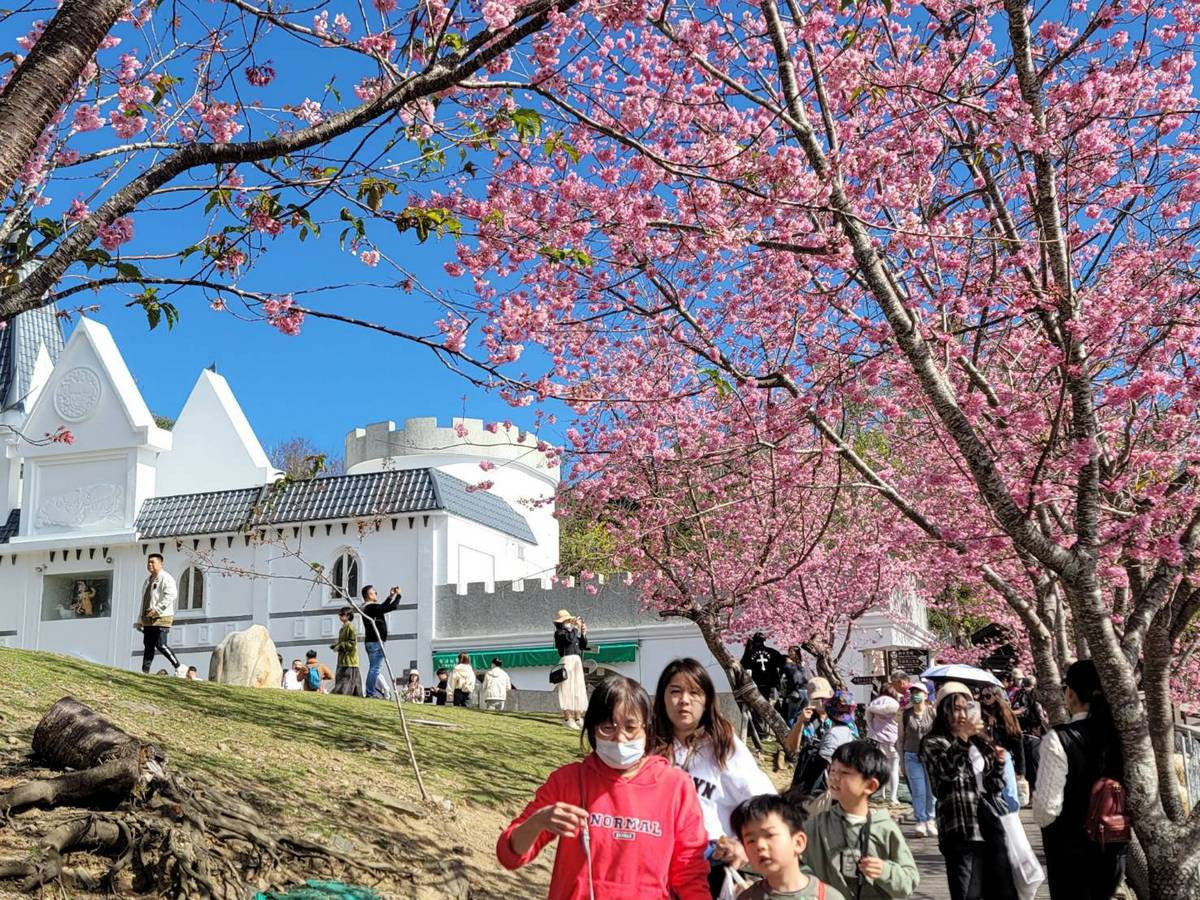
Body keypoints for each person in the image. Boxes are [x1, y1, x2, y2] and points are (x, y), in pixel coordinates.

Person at [497, 674, 710, 899]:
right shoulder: (567, 781)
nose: (620, 738)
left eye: (631, 727)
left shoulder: (675, 786)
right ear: (592, 729)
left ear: (647, 728)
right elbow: (509, 854)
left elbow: (690, 873)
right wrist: (539, 821)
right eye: (608, 727)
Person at [654, 658, 776, 897]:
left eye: (695, 692)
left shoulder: (723, 744)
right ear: (662, 697)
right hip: (657, 859)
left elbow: (762, 800)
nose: (684, 701)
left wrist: (742, 844)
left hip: (710, 859)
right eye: (675, 691)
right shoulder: (647, 745)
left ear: (707, 699)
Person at [1033, 659, 1126, 900]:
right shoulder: (1124, 736)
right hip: (1113, 848)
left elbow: (1046, 810)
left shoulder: (1059, 739)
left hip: (1070, 853)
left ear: (1071, 694)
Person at [919, 684, 1016, 900]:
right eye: (955, 709)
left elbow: (995, 786)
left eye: (966, 708)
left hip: (990, 825)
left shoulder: (979, 742)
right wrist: (962, 738)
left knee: (998, 890)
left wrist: (998, 764)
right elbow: (946, 772)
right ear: (943, 711)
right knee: (965, 893)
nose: (962, 714)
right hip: (960, 826)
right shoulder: (934, 742)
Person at [803, 740, 919, 900]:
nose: (834, 777)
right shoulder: (815, 826)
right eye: (832, 770)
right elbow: (792, 863)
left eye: (844, 773)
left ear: (870, 786)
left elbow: (910, 879)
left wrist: (884, 870)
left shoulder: (884, 828)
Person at [730, 794, 846, 900]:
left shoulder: (828, 897)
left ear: (798, 842)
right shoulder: (747, 898)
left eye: (769, 835)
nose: (759, 845)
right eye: (750, 841)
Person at [136, 554, 183, 676]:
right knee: (148, 645)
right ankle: (145, 671)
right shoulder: (148, 580)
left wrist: (158, 610)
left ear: (160, 563)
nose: (150, 565)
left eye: (153, 562)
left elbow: (171, 595)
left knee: (161, 644)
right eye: (148, 562)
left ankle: (178, 667)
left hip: (162, 617)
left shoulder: (166, 578)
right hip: (148, 617)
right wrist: (140, 619)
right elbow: (144, 600)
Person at [979, 685, 1024, 812]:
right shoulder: (979, 713)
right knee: (991, 792)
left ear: (996, 697)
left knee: (1009, 790)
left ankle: (1013, 815)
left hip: (1003, 754)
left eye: (988, 696)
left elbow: (1017, 741)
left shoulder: (1006, 715)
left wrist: (1021, 770)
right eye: (982, 697)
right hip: (984, 756)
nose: (984, 700)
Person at [899, 683, 936, 835]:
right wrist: (901, 760)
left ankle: (930, 820)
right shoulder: (906, 715)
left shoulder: (933, 713)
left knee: (931, 791)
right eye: (913, 692)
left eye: (919, 692)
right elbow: (900, 739)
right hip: (912, 756)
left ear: (926, 695)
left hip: (931, 757)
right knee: (918, 790)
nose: (916, 695)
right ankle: (920, 821)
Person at [360, 584, 403, 699]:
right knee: (375, 668)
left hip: (372, 642)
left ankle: (371, 692)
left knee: (374, 668)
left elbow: (382, 608)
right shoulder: (370, 607)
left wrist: (390, 597)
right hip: (375, 642)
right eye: (374, 592)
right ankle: (370, 693)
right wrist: (398, 596)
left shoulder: (369, 608)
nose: (376, 594)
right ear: (369, 595)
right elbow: (390, 607)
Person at [553, 609, 589, 729]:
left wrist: (583, 633)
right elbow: (569, 640)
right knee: (567, 689)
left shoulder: (572, 632)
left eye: (570, 620)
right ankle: (567, 718)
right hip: (567, 660)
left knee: (578, 689)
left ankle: (578, 717)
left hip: (577, 660)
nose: (570, 622)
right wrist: (576, 628)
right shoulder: (559, 633)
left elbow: (583, 645)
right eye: (567, 620)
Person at [866, 685, 902, 806]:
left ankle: (882, 793)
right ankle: (893, 797)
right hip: (894, 739)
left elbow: (868, 720)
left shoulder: (874, 703)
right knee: (894, 769)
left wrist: (873, 731)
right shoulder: (896, 704)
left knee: (880, 767)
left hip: (878, 739)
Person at [1009, 676, 1047, 789]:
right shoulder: (1034, 696)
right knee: (1035, 765)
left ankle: (1031, 792)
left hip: (1022, 734)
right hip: (1033, 735)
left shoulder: (1018, 695)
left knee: (1027, 765)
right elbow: (1040, 718)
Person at [329, 607, 363, 696]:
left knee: (347, 680)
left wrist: (339, 646)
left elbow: (352, 643)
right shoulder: (343, 627)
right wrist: (336, 646)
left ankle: (344, 694)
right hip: (343, 660)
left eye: (342, 614)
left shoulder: (350, 627)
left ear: (348, 616)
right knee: (344, 679)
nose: (340, 616)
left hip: (349, 661)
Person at [780, 647, 809, 727]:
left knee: (794, 715)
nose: (789, 653)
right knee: (795, 715)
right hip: (799, 692)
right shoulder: (794, 665)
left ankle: (796, 734)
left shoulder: (798, 665)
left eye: (792, 651)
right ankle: (795, 734)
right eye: (789, 651)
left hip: (801, 691)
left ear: (796, 653)